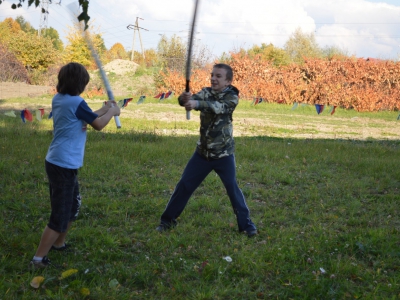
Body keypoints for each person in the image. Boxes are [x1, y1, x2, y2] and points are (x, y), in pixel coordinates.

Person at [30, 62, 121, 268]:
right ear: (79, 84)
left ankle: (59, 244)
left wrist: (105, 108)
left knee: (73, 205)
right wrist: (113, 113)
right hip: (62, 164)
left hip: (59, 162)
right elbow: (97, 124)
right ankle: (38, 259)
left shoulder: (61, 99)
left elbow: (86, 115)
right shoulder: (76, 102)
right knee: (61, 213)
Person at [156, 63, 257, 237]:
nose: (213, 78)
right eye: (212, 75)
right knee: (185, 185)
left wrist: (196, 103)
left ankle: (247, 227)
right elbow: (186, 102)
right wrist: (185, 98)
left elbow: (217, 107)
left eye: (218, 76)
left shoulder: (232, 97)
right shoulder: (205, 92)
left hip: (224, 154)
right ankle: (167, 221)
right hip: (202, 154)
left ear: (227, 81)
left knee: (232, 189)